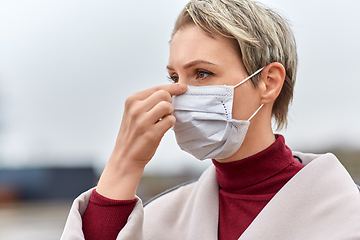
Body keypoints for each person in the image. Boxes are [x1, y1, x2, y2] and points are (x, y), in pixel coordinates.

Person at [61, 0, 360, 239]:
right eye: (174, 77)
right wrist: (123, 164)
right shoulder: (159, 219)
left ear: (268, 82)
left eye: (202, 73)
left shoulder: (347, 212)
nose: (180, 93)